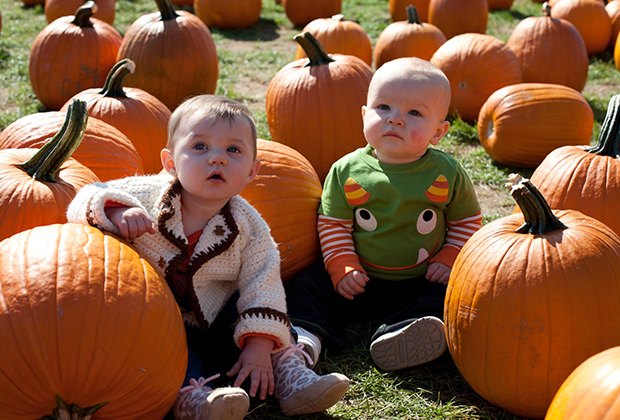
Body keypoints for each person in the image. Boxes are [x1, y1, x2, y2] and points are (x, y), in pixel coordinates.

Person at [67, 94, 349, 419]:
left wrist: (258, 343)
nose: (218, 159)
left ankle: (288, 373)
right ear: (170, 162)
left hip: (214, 318)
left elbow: (263, 283)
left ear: (252, 172)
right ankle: (194, 398)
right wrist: (117, 211)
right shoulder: (145, 194)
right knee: (166, 352)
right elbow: (85, 195)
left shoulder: (250, 227)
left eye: (233, 150)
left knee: (260, 318)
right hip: (150, 317)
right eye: (200, 147)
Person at [285, 57, 483, 372]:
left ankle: (400, 333)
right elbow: (333, 223)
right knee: (308, 284)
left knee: (450, 294)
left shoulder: (446, 172)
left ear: (439, 132)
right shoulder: (346, 170)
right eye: (384, 108)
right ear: (364, 115)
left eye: (414, 113)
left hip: (421, 277)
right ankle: (306, 340)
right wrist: (341, 265)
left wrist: (448, 258)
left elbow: (466, 222)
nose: (395, 120)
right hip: (359, 280)